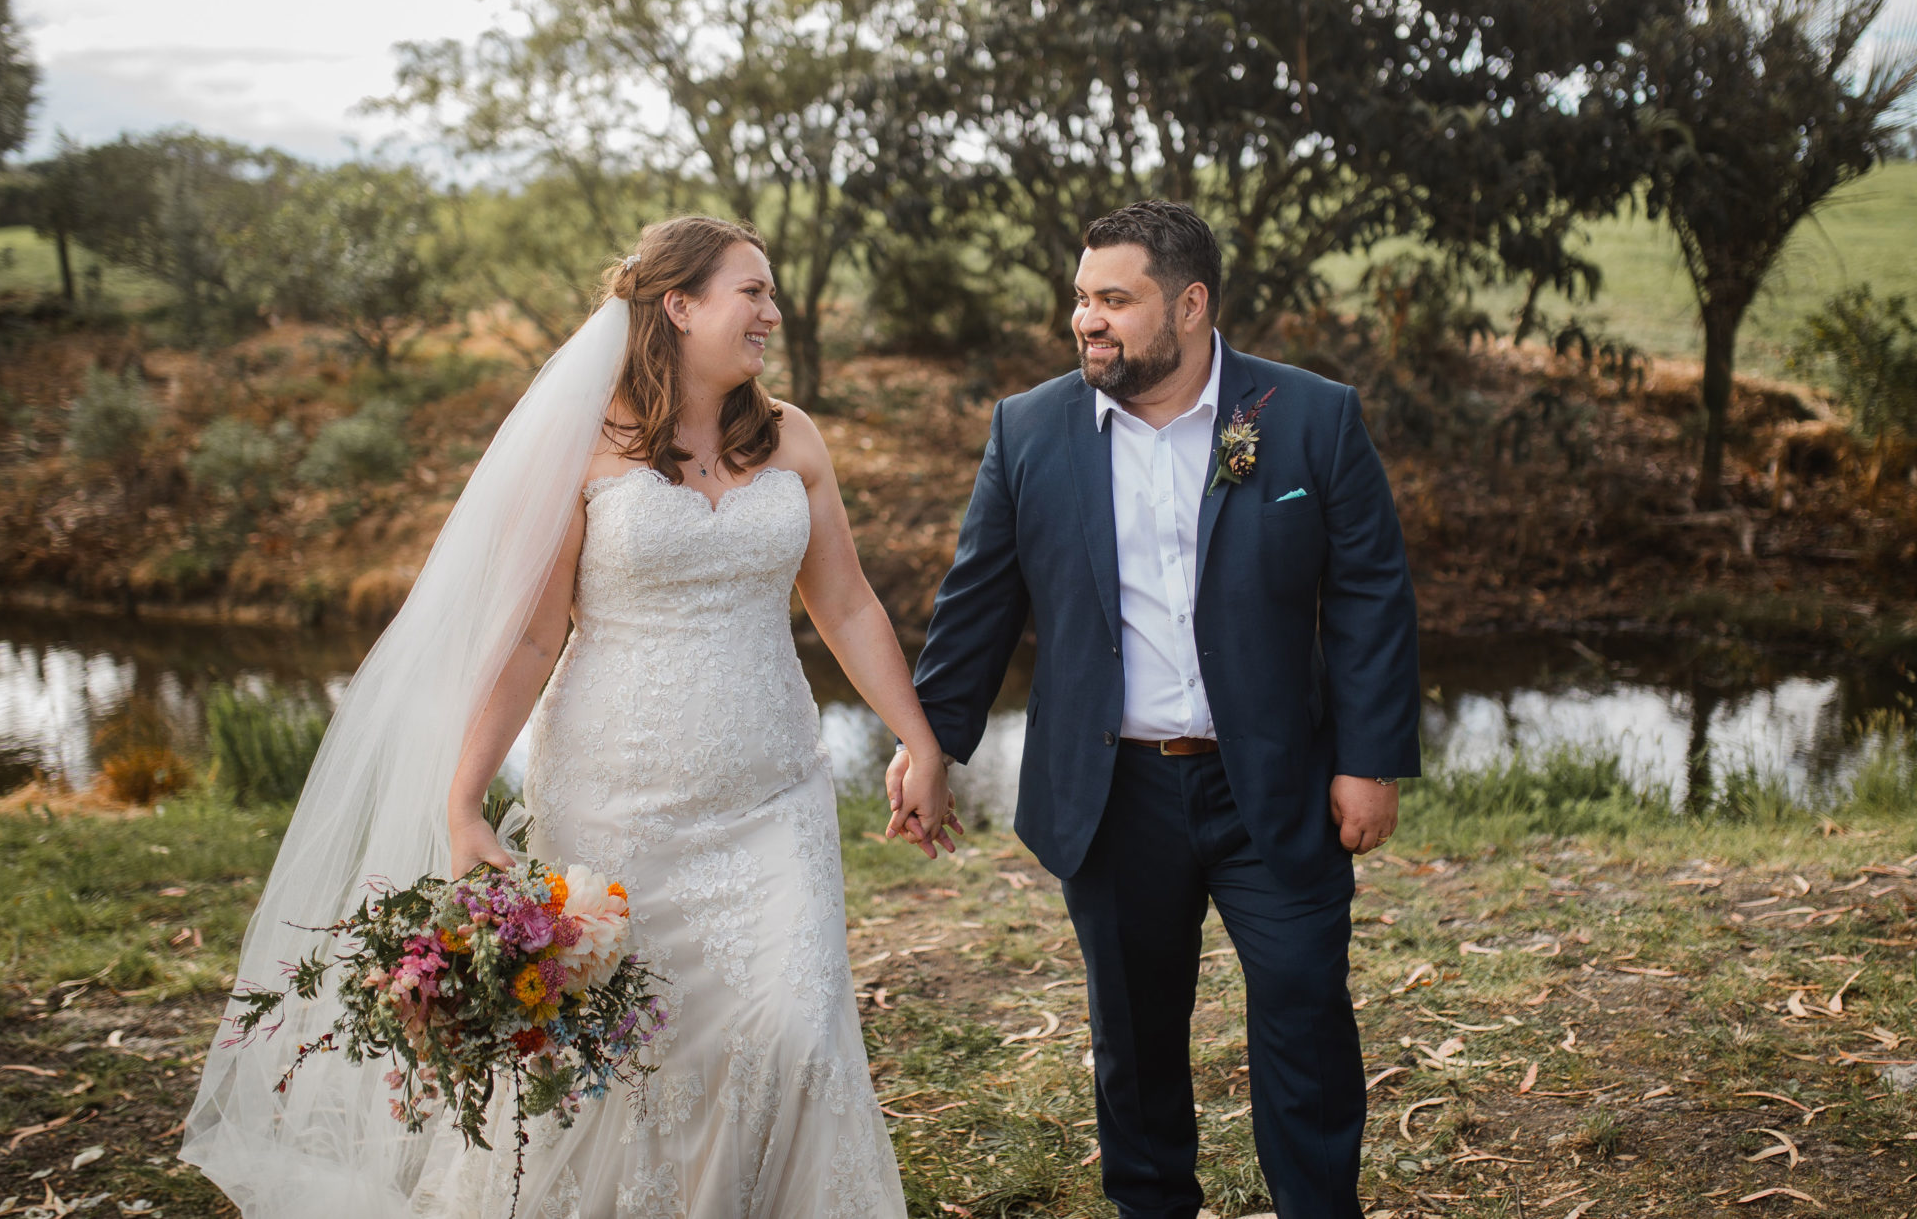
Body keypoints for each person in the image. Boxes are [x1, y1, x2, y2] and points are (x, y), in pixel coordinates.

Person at [184, 216, 959, 1218]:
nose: (772, 311)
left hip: (776, 793)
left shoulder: (792, 437)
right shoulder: (587, 447)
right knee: (627, 1056)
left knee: (793, 1031)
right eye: (750, 292)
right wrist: (463, 802)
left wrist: (919, 739)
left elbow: (845, 602)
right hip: (618, 799)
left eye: (769, 294)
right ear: (677, 306)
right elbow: (528, 640)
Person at [891, 200, 1420, 1219]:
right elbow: (976, 607)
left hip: (1275, 784)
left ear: (1188, 305)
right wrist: (929, 745)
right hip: (1113, 792)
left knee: (1306, 1023)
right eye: (1080, 299)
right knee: (1132, 1045)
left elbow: (1367, 594)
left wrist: (1368, 758)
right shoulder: (1029, 429)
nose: (1086, 321)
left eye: (1113, 300)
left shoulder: (1307, 417)